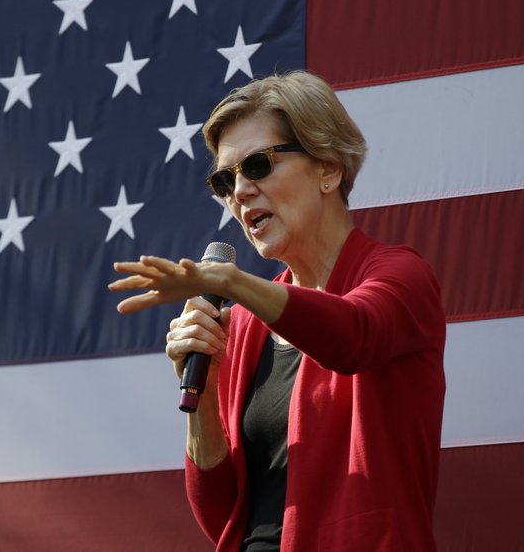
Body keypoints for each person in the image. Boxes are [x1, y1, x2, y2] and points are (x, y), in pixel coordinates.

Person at [108, 71, 446, 551]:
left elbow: (352, 336)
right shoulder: (243, 325)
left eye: (258, 165)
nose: (239, 192)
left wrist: (231, 282)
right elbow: (223, 517)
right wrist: (201, 400)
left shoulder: (400, 276)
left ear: (327, 168)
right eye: (225, 179)